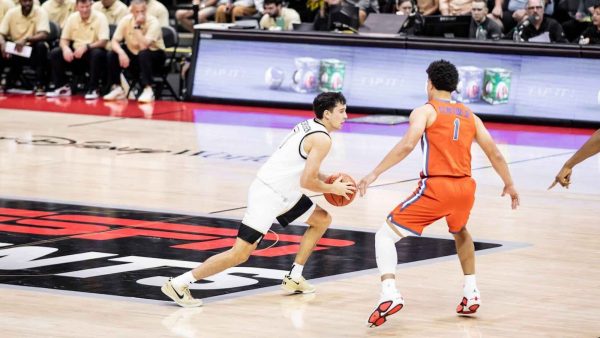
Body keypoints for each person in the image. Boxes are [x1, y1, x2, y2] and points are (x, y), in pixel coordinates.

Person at [358, 60, 519, 327]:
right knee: (461, 231)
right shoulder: (471, 116)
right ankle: (471, 292)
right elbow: (495, 152)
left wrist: (374, 173)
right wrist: (509, 184)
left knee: (384, 235)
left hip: (437, 188)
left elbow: (408, 144)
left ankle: (389, 293)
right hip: (466, 188)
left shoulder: (425, 111)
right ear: (454, 86)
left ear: (430, 83)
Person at [161, 92, 356, 308]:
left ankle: (294, 276)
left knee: (321, 219)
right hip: (269, 194)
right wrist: (332, 187)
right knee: (240, 254)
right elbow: (307, 181)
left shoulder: (309, 125)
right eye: (341, 111)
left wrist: (327, 179)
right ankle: (179, 283)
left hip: (284, 191)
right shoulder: (322, 139)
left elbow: (303, 167)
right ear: (327, 114)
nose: (346, 116)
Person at [103, 0, 165, 103]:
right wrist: (121, 53)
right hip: (135, 55)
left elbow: (144, 46)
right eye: (137, 11)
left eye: (142, 11)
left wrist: (137, 26)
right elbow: (114, 41)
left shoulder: (153, 22)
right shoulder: (126, 20)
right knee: (112, 54)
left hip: (154, 57)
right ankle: (117, 88)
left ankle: (148, 89)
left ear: (146, 10)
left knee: (144, 53)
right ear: (131, 11)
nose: (140, 14)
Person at [46, 0, 109, 99]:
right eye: (82, 7)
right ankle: (62, 87)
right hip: (75, 53)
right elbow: (64, 39)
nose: (84, 10)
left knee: (96, 54)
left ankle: (94, 88)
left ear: (91, 5)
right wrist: (66, 48)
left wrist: (87, 47)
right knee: (56, 53)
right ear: (77, 7)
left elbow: (103, 41)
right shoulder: (72, 18)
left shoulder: (100, 17)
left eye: (87, 7)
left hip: (92, 51)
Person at [0, 0, 50, 95]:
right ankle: (4, 82)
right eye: (24, 1)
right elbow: (1, 33)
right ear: (19, 1)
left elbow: (44, 34)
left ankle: (40, 84)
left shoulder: (41, 12)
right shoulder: (11, 12)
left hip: (32, 49)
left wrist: (26, 39)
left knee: (41, 46)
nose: (27, 3)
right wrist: (3, 43)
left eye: (29, 1)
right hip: (14, 49)